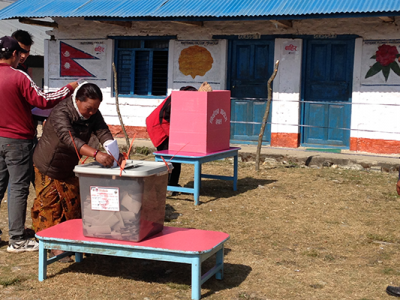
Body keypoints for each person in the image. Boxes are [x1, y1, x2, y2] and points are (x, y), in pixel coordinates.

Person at [0, 35, 78, 252]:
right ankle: (17, 239)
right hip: (17, 140)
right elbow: (42, 100)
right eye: (20, 54)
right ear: (15, 54)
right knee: (18, 187)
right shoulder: (19, 77)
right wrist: (69, 88)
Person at [31, 82, 122, 260]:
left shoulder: (93, 113)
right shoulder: (61, 112)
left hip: (70, 166)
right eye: (88, 108)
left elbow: (102, 130)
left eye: (95, 109)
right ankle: (54, 245)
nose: (91, 113)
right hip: (49, 164)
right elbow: (69, 138)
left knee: (73, 204)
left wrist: (112, 149)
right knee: (50, 206)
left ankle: (72, 240)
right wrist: (96, 154)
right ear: (78, 100)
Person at [146, 86, 197, 195]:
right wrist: (174, 138)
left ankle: (172, 184)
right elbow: (163, 117)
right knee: (170, 158)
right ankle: (166, 186)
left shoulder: (182, 100)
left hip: (166, 127)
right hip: (158, 127)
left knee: (176, 158)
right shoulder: (174, 101)